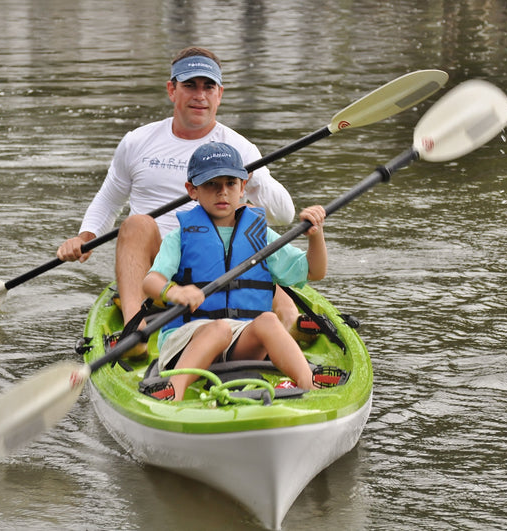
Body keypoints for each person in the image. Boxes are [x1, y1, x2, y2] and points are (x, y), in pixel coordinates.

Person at [57, 47, 298, 358]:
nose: (200, 95)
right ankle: (135, 332)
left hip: (224, 269)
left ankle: (286, 332)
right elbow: (108, 199)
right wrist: (85, 238)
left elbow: (285, 215)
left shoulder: (240, 148)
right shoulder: (137, 142)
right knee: (136, 223)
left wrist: (253, 176)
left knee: (249, 221)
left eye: (208, 86)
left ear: (219, 94)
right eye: (190, 85)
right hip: (159, 272)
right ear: (172, 90)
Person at [142, 142, 328, 401]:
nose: (223, 193)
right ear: (192, 190)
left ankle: (309, 383)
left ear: (243, 187)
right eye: (211, 185)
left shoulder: (259, 235)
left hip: (240, 342)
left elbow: (314, 272)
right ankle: (174, 390)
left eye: (230, 183)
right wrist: (175, 291)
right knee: (218, 329)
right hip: (185, 341)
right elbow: (151, 282)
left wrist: (315, 236)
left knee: (269, 321)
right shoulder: (180, 236)